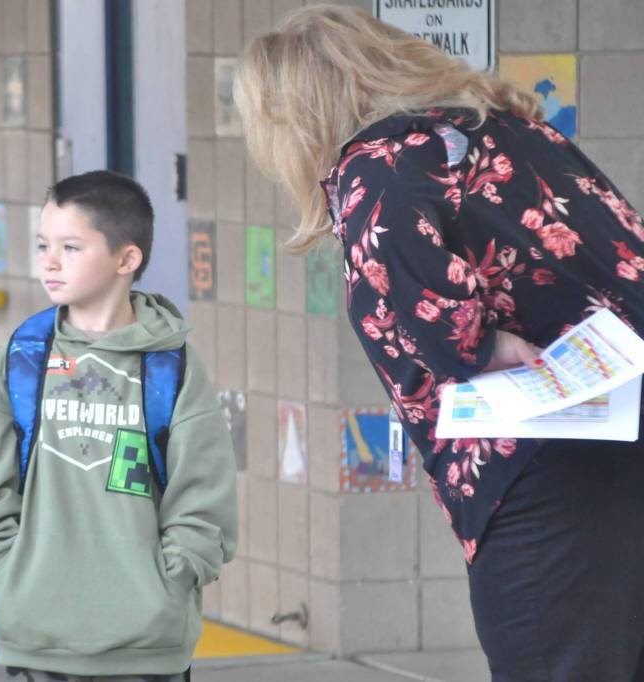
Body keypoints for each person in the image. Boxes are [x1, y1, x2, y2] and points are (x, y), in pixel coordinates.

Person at [235, 5, 644, 681]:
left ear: (297, 117)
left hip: (544, 475)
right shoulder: (510, 128)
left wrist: (482, 348)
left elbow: (407, 294)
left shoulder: (378, 165)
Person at [0, 170, 238, 681]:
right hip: (37, 636)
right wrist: (5, 573)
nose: (49, 261)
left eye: (71, 247)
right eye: (43, 244)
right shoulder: (25, 358)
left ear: (127, 259)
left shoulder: (171, 366)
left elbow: (205, 499)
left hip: (147, 645)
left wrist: (168, 585)